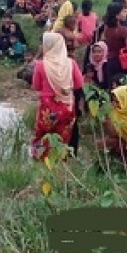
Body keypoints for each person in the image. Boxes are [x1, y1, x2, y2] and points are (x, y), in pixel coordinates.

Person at [31, 32, 84, 161]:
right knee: (63, 135)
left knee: (43, 134)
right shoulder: (71, 63)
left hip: (47, 107)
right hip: (66, 105)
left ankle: (41, 160)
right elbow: (79, 84)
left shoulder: (40, 65)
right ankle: (61, 161)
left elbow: (36, 86)